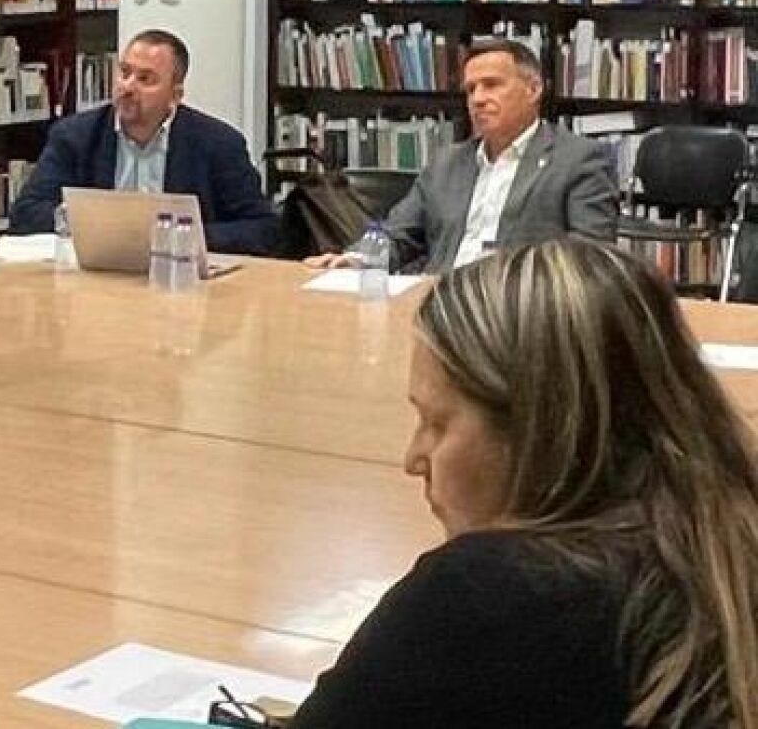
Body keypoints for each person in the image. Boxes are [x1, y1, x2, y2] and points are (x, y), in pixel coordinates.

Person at [288, 238, 758, 728]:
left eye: (437, 423)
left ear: (540, 432)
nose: (414, 460)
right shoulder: (723, 548)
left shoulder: (484, 596)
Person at [304, 39, 617, 274]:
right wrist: (356, 260)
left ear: (533, 90)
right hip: (438, 303)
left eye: (491, 85)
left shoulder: (578, 160)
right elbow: (399, 234)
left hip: (517, 314)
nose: (478, 99)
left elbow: (590, 260)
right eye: (470, 89)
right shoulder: (446, 164)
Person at [8, 29, 277, 254]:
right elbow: (26, 214)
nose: (127, 87)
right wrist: (89, 223)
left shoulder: (218, 143)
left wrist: (181, 237)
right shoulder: (75, 136)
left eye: (145, 79)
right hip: (97, 279)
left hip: (181, 280)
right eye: (124, 73)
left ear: (175, 95)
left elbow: (264, 229)